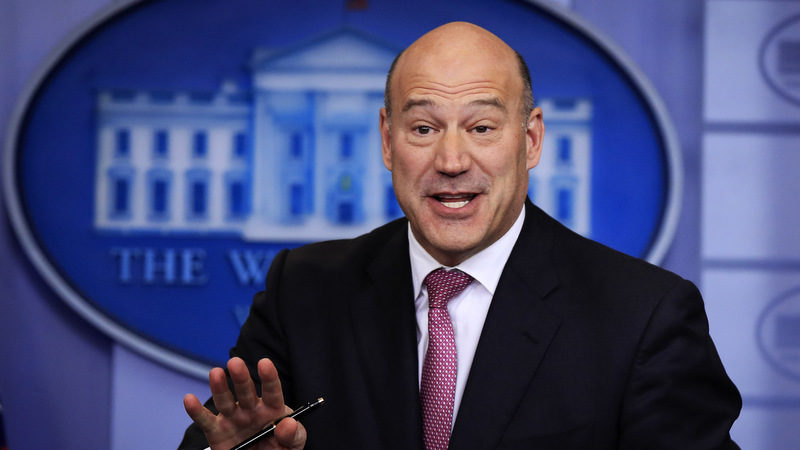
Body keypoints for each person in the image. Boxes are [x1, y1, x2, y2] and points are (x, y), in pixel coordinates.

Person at [180, 22, 741, 449]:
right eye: (424, 128)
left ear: (531, 140)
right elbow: (227, 436)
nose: (451, 160)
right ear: (387, 141)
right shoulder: (303, 290)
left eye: (481, 127)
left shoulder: (644, 317)